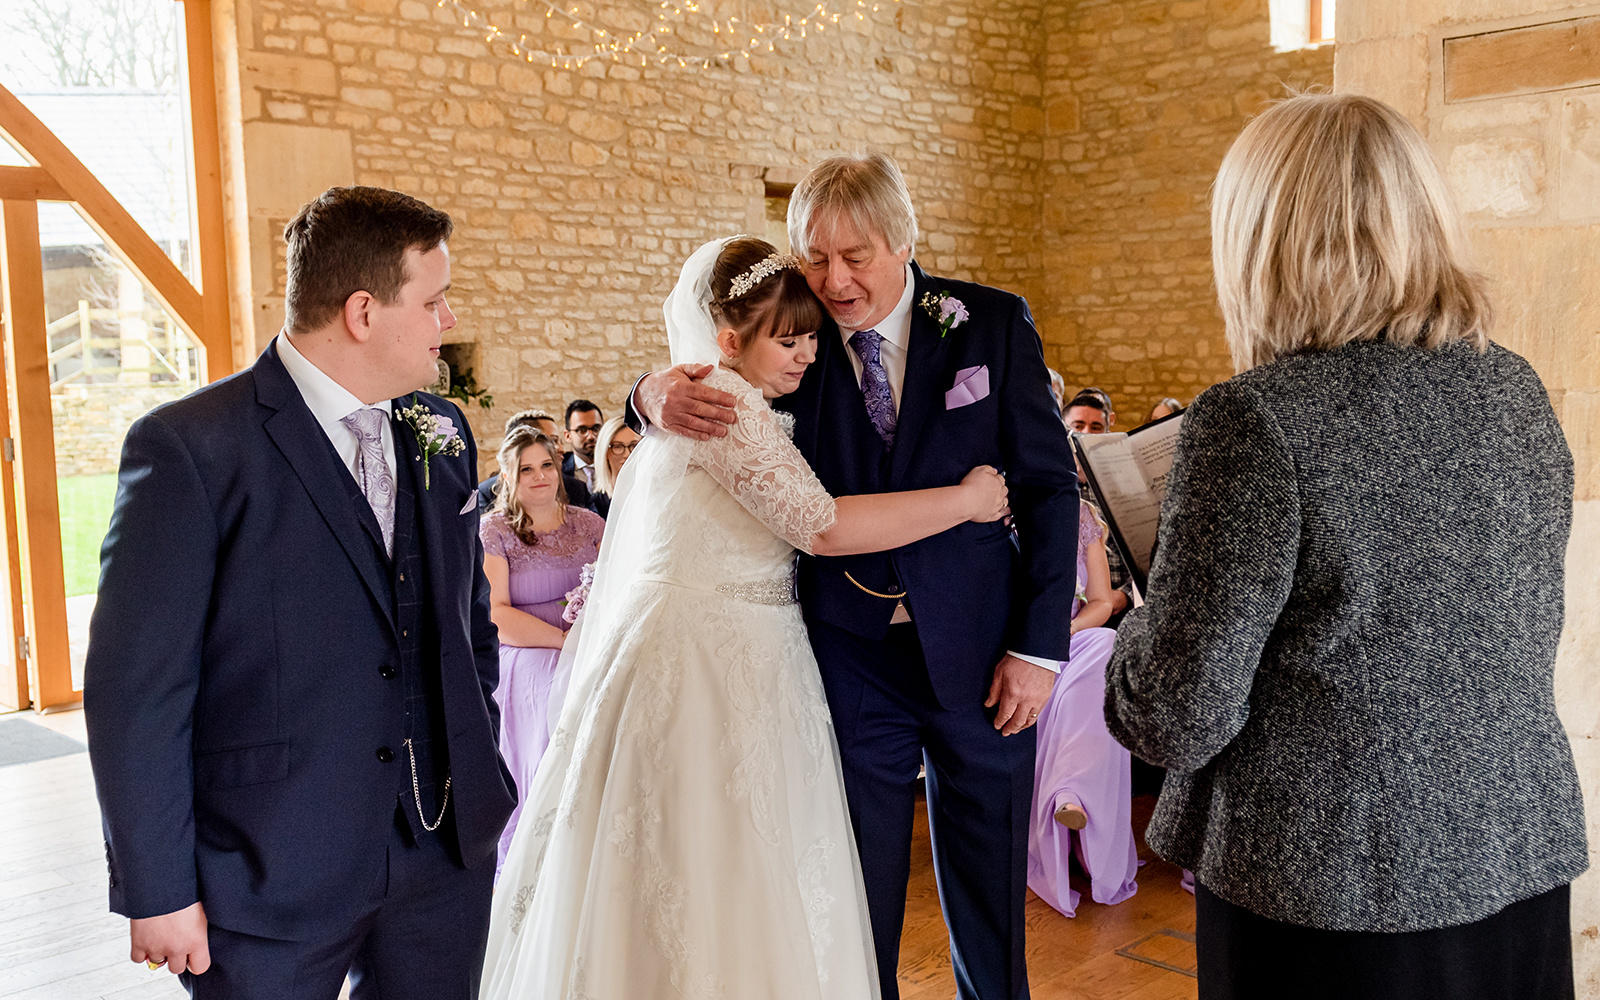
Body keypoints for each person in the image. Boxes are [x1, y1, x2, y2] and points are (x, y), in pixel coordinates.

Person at [1105, 93, 1587, 1000]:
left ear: (1262, 240)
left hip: (1328, 891)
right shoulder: (1514, 391)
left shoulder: (1255, 421)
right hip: (1511, 851)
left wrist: (1137, 622)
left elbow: (1175, 714)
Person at [480, 235, 1012, 999]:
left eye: (809, 340)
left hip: (743, 647)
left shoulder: (721, 398)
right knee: (715, 857)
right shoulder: (725, 408)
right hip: (710, 663)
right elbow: (822, 526)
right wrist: (968, 502)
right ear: (729, 341)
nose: (804, 357)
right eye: (788, 342)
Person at [631, 153, 1078, 1000]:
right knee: (852, 890)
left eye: (855, 256)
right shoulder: (790, 342)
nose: (834, 282)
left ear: (903, 241)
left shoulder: (988, 322)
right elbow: (706, 373)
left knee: (989, 891)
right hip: (846, 655)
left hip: (984, 656)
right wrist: (646, 393)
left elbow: (1051, 487)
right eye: (814, 257)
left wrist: (1038, 647)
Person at [83, 186, 515, 999]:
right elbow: (137, 689)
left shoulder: (441, 431)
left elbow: (469, 624)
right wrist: (159, 887)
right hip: (266, 868)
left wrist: (477, 750)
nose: (447, 322)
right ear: (362, 311)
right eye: (434, 300)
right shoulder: (192, 448)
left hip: (442, 853)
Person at [479, 426, 604, 872]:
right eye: (525, 469)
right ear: (508, 478)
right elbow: (497, 614)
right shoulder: (496, 531)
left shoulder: (590, 524)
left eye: (547, 464)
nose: (539, 476)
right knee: (554, 686)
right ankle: (544, 851)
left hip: (591, 639)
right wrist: (566, 642)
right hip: (530, 646)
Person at [1027, 498, 1137, 919]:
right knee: (1082, 682)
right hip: (1011, 649)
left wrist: (1060, 632)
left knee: (1105, 645)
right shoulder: (994, 507)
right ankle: (1072, 802)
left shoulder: (1080, 516)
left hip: (1069, 640)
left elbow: (1101, 603)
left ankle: (1072, 795)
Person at [476, 409, 594, 515]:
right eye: (552, 441)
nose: (561, 449)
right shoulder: (487, 493)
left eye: (559, 441)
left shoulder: (576, 488)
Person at [588, 414, 640, 517]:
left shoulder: (653, 494)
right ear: (605, 452)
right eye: (618, 446)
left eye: (634, 445)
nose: (627, 454)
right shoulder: (595, 504)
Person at [561, 399, 604, 491]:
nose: (591, 436)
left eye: (596, 428)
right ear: (568, 436)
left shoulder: (616, 465)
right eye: (582, 430)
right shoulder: (559, 471)